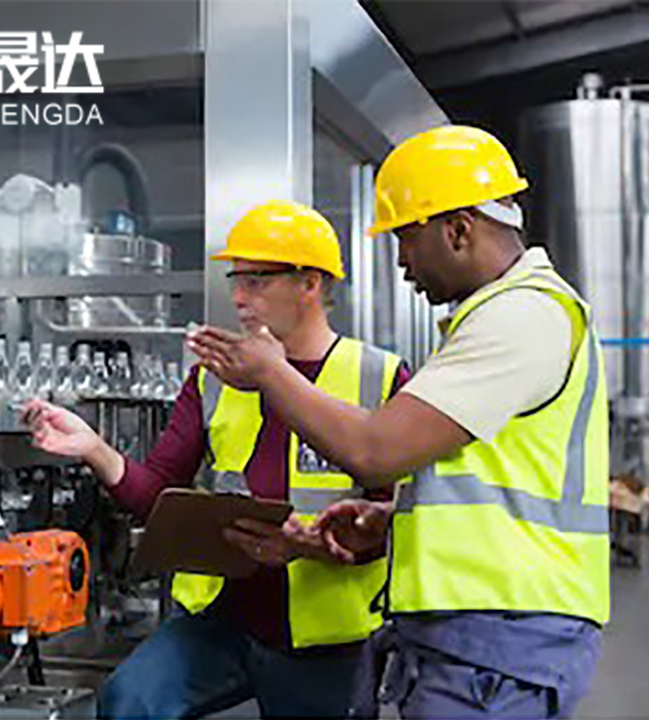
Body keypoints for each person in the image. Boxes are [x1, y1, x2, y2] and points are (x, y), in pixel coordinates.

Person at [188, 126, 609, 720]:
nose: (402, 262)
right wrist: (394, 524)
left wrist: (271, 373)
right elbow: (493, 485)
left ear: (458, 229)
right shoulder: (495, 318)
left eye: (406, 237)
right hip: (478, 636)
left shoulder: (523, 316)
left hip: (501, 638)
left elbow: (375, 450)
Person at [22, 200, 409, 719]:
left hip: (328, 641)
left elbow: (404, 522)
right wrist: (93, 447)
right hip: (219, 623)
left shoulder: (379, 377)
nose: (239, 297)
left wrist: (312, 546)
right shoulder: (212, 379)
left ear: (310, 283)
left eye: (257, 280)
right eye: (236, 279)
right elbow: (157, 494)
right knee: (128, 702)